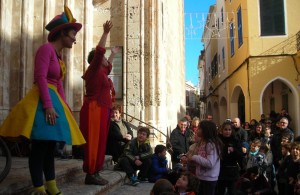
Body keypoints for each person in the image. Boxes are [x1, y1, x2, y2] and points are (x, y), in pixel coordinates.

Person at [0, 5, 85, 194]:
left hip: (53, 100)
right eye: (72, 33)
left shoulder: (59, 57)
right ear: (62, 33)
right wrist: (48, 106)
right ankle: (39, 188)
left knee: (49, 146)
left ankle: (52, 186)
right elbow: (40, 78)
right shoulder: (45, 50)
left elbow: (59, 84)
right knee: (40, 146)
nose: (74, 38)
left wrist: (65, 109)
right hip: (42, 100)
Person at [80, 20, 120, 185]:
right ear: (96, 61)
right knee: (93, 142)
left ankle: (95, 172)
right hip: (94, 109)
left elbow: (108, 65)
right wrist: (105, 33)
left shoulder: (102, 70)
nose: (105, 59)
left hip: (103, 109)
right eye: (103, 58)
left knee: (101, 141)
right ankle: (91, 173)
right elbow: (99, 52)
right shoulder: (94, 69)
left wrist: (113, 54)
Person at [189, 120, 223, 195]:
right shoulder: (202, 142)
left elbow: (210, 163)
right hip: (201, 177)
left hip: (209, 179)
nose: (197, 130)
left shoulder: (211, 144)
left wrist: (195, 157)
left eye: (199, 128)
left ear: (205, 131)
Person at [217, 122, 243, 195]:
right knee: (220, 191)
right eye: (225, 129)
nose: (227, 132)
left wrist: (234, 150)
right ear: (222, 130)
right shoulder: (218, 140)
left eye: (229, 130)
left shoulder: (235, 140)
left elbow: (240, 155)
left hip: (232, 170)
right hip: (220, 170)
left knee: (232, 191)